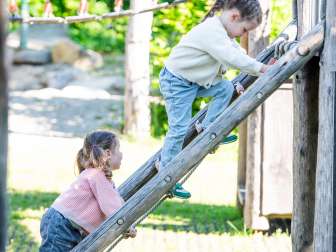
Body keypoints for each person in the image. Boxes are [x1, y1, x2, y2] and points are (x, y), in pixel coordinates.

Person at [157, 0, 273, 199]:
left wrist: (258, 65)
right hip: (176, 82)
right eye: (245, 30)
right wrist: (261, 68)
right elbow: (230, 57)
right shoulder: (212, 30)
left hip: (194, 81)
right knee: (179, 128)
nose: (244, 35)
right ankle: (167, 174)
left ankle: (210, 127)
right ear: (234, 16)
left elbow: (237, 52)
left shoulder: (223, 31)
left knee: (225, 89)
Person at [39, 131, 136, 251]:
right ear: (108, 153)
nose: (121, 154)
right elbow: (112, 207)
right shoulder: (96, 175)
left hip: (67, 225)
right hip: (62, 224)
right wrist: (126, 225)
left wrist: (127, 224)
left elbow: (117, 201)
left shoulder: (99, 177)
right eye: (119, 150)